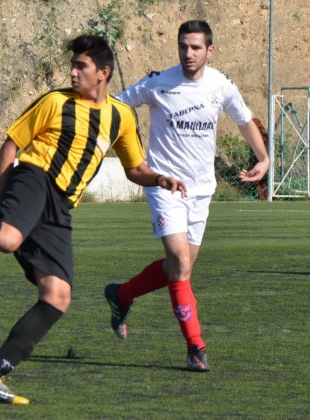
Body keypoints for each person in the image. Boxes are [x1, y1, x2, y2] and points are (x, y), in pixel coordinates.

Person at [0, 35, 186, 404]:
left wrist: (159, 178)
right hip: (34, 177)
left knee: (58, 296)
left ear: (103, 73)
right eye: (73, 65)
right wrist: (2, 200)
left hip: (61, 206)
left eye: (81, 66)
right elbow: (11, 144)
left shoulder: (121, 116)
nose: (73, 72)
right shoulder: (54, 101)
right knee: (6, 239)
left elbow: (135, 168)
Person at [104, 20, 270, 372]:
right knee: (179, 262)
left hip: (201, 190)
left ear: (210, 50)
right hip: (164, 186)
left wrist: (264, 158)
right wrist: (131, 152)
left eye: (195, 47)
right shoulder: (158, 83)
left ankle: (121, 295)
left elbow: (243, 119)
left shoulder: (220, 84)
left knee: (179, 268)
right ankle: (196, 347)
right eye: (183, 46)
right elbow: (116, 107)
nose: (188, 53)